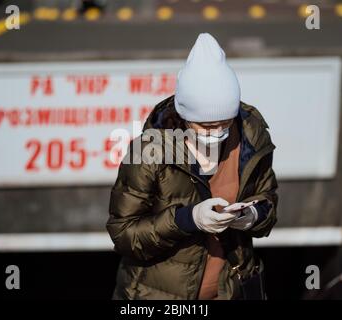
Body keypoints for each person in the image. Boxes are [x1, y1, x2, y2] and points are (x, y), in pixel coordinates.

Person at [106, 33, 278, 300]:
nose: (217, 132)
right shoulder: (150, 149)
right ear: (185, 117)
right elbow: (124, 234)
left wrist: (251, 217)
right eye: (206, 125)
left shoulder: (251, 138)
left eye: (225, 122)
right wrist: (189, 219)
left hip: (233, 289)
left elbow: (268, 201)